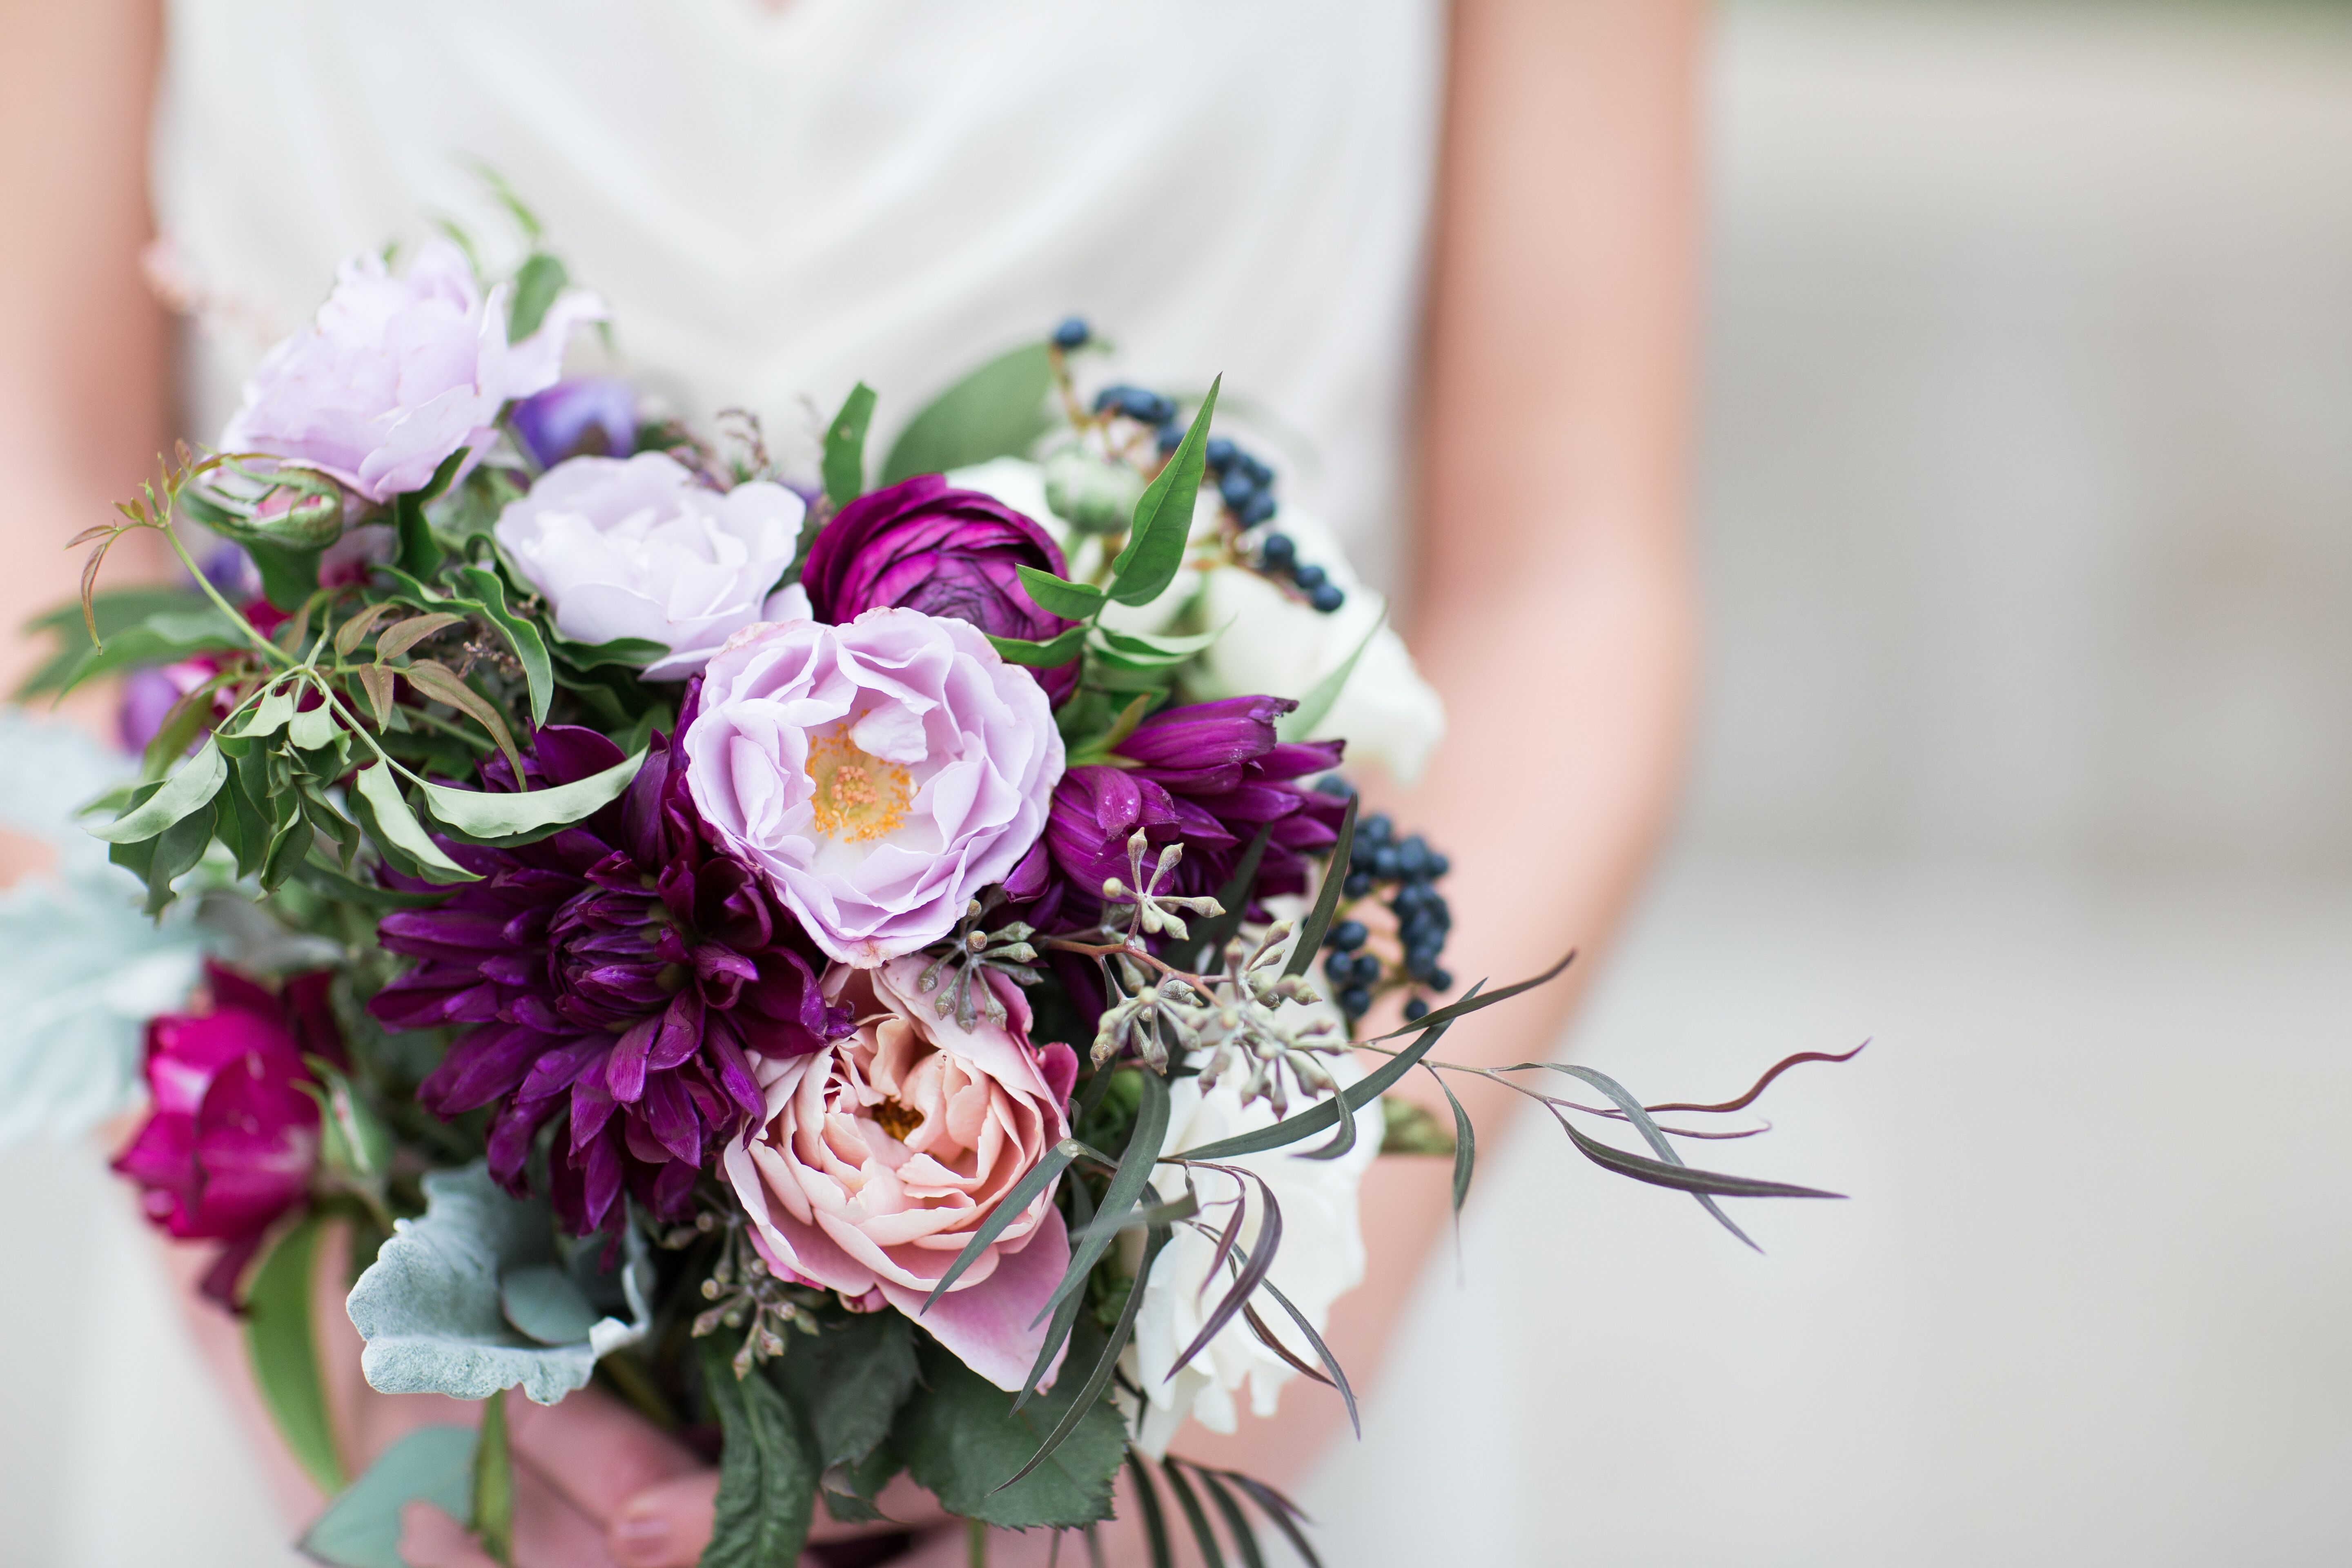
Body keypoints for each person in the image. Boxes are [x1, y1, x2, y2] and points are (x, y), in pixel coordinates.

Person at [0, 1, 1697, 1562]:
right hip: (371, 1329)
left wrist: (1193, 1371)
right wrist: (334, 1329)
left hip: (1202, 1322)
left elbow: (1565, 580)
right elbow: (45, 476)